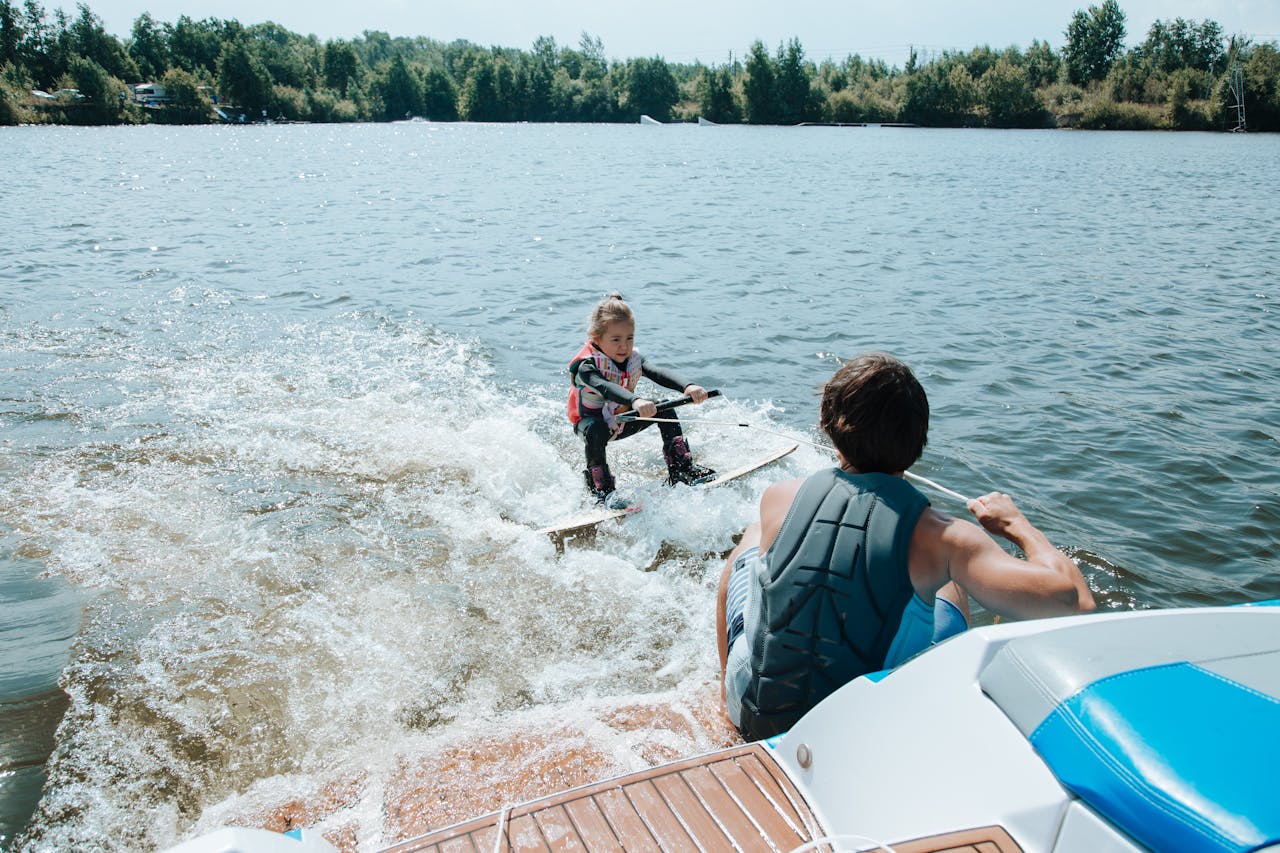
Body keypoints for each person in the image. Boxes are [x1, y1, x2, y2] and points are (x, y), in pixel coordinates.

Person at [716, 352, 1096, 740]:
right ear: (920, 437)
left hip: (751, 711)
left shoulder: (780, 496)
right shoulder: (946, 537)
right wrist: (1017, 526)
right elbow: (1074, 603)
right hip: (855, 730)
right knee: (947, 579)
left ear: (826, 425)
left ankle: (720, 700)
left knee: (752, 543)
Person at [568, 293, 716, 507]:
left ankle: (681, 469)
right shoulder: (586, 367)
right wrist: (636, 400)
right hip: (592, 425)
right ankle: (602, 491)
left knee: (663, 408)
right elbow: (605, 387)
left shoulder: (632, 359)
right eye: (616, 339)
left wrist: (688, 386)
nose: (624, 346)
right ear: (595, 338)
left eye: (630, 338)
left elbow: (657, 373)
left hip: (623, 419)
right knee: (596, 430)